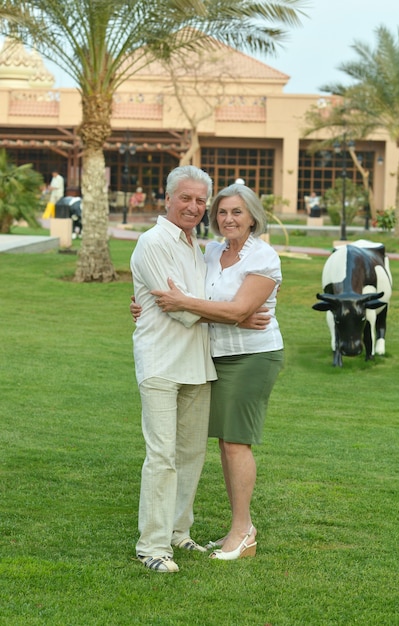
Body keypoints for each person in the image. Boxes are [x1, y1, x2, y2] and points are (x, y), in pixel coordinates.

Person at [135, 183, 284, 561]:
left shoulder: (263, 257)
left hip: (252, 357)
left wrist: (188, 305)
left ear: (252, 217)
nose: (227, 218)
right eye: (222, 211)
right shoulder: (211, 251)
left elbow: (227, 309)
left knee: (235, 442)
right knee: (220, 444)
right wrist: (149, 306)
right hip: (212, 358)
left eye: (237, 212)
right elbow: (186, 294)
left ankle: (243, 530)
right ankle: (219, 530)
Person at [130, 165, 220, 574]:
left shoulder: (195, 246)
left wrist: (198, 304)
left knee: (191, 454)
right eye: (186, 197)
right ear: (167, 198)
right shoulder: (152, 242)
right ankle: (152, 546)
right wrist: (235, 314)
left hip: (198, 364)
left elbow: (191, 302)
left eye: (201, 200)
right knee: (162, 456)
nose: (194, 206)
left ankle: (178, 532)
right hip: (161, 362)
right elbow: (178, 309)